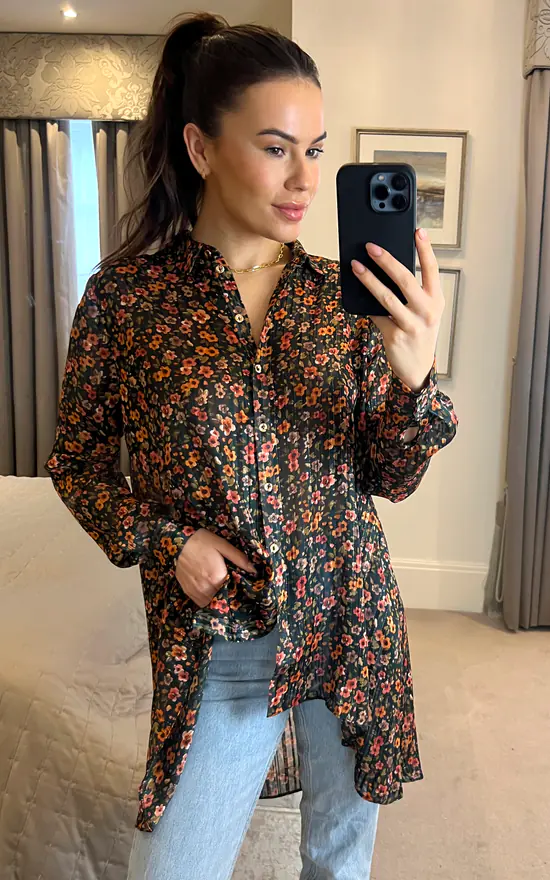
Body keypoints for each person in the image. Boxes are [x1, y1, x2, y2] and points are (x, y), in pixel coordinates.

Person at [45, 11, 458, 880]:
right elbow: (77, 464)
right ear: (201, 149)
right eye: (276, 148)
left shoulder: (342, 299)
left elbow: (390, 477)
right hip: (224, 637)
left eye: (315, 149)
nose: (305, 178)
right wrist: (168, 540)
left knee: (337, 862)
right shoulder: (127, 301)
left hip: (350, 621)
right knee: (172, 868)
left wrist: (414, 375)